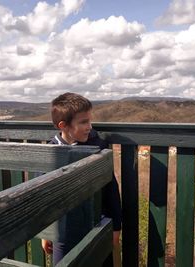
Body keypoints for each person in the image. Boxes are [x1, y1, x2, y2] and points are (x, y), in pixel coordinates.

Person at [41, 92, 122, 266]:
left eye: (89, 121)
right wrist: (46, 232)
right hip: (63, 233)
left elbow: (111, 188)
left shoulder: (98, 147)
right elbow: (45, 198)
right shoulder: (50, 153)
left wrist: (115, 226)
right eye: (83, 122)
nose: (89, 127)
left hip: (97, 225)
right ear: (63, 125)